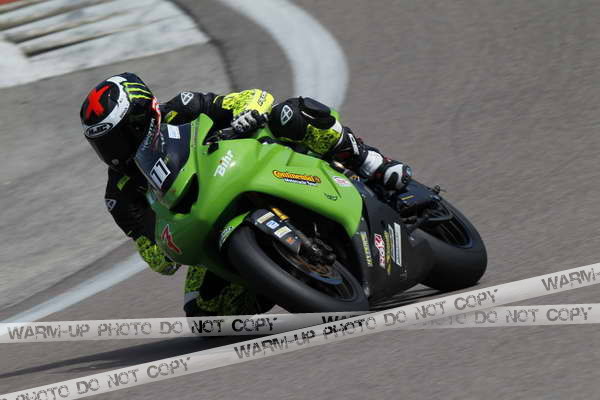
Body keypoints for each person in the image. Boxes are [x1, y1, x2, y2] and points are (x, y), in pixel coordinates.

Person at [80, 72, 412, 317]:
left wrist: (247, 113)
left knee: (290, 115)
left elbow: (252, 98)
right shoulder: (118, 195)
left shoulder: (182, 108)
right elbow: (157, 259)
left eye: (118, 137)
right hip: (206, 220)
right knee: (202, 310)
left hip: (253, 163)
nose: (113, 152)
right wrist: (163, 244)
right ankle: (286, 278)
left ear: (142, 117)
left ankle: (371, 163)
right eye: (103, 144)